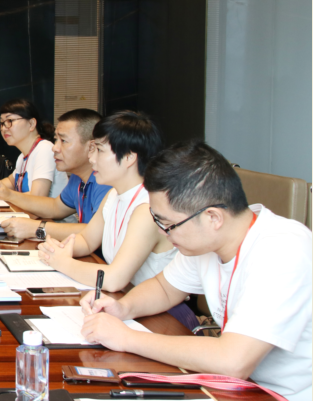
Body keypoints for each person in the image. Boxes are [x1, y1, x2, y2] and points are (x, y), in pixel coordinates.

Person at [80, 140, 312, 401]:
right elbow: (165, 288)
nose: (162, 233)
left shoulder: (284, 250)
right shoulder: (208, 241)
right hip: (235, 387)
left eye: (168, 224)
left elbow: (233, 361)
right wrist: (123, 308)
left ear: (213, 217)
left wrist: (126, 338)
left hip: (283, 394)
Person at [36, 111, 196, 327]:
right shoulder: (114, 194)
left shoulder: (148, 207)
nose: (91, 158)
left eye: (99, 150)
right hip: (126, 301)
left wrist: (63, 263)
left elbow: (113, 279)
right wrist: (57, 250)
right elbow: (86, 241)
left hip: (162, 315)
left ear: (129, 157)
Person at [0, 109, 112, 242]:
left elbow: (99, 231)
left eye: (63, 140)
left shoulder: (107, 180)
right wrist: (8, 194)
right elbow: (55, 207)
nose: (55, 148)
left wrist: (36, 228)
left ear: (91, 147)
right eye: (56, 139)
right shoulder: (78, 177)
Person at [0, 99, 68, 199]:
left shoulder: (44, 149)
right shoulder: (23, 156)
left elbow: (37, 197)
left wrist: (6, 194)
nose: (4, 128)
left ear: (31, 124)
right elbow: (11, 182)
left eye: (10, 121)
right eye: (1, 123)